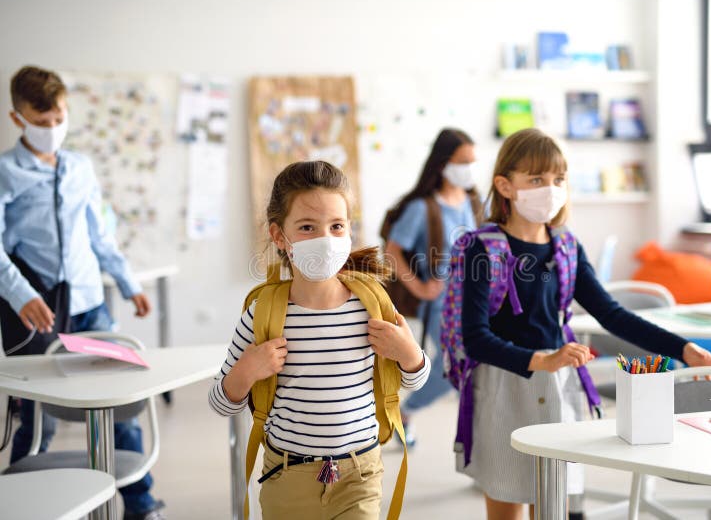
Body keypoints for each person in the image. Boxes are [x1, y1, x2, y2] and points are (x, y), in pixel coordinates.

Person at [459, 128, 711, 520]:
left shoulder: (566, 245)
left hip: (560, 383)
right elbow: (475, 339)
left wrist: (684, 349)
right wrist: (540, 360)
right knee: (507, 498)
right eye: (536, 180)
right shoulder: (482, 248)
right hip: (504, 386)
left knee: (554, 502)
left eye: (558, 180)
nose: (550, 189)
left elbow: (612, 313)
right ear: (505, 185)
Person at [208, 160, 430, 519]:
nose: (325, 239)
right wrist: (246, 371)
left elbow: (416, 378)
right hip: (287, 476)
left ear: (350, 231)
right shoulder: (263, 314)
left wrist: (408, 353)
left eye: (336, 226)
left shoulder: (371, 306)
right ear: (279, 236)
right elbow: (221, 402)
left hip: (360, 474)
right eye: (308, 227)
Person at [0, 66, 164, 520]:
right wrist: (19, 294)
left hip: (91, 304)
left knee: (122, 404)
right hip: (40, 310)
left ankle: (141, 505)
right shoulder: (6, 173)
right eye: (42, 121)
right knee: (41, 420)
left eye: (59, 119)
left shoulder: (80, 168)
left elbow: (99, 236)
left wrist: (129, 284)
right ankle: (27, 508)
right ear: (18, 119)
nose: (53, 129)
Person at [383, 127, 481, 445]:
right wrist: (422, 288)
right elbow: (392, 251)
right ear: (442, 163)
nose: (468, 169)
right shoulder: (422, 208)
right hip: (442, 304)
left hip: (477, 300)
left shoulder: (473, 201)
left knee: (470, 365)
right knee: (458, 365)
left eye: (472, 161)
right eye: (462, 161)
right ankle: (407, 409)